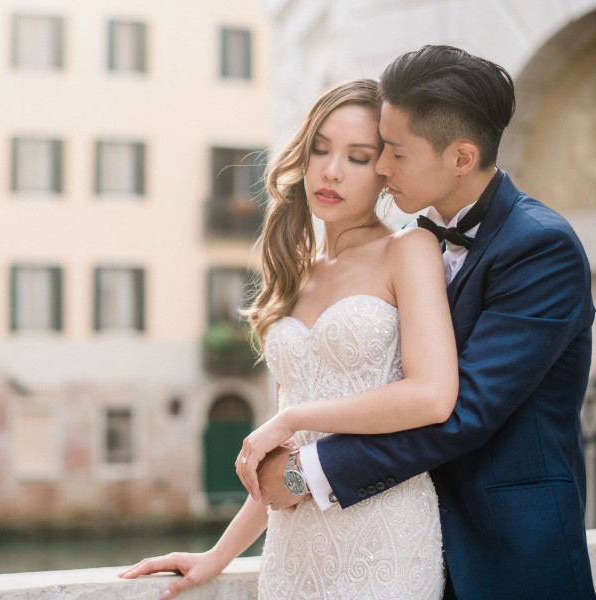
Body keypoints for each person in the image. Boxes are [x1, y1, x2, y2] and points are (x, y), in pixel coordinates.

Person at [241, 45, 596, 599]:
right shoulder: (416, 242)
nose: (382, 169)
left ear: (460, 157)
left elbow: (462, 412)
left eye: (395, 154)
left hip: (504, 551)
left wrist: (303, 473)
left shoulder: (540, 248)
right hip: (395, 533)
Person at [120, 77, 458, 599]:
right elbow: (283, 463)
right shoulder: (294, 273)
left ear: (385, 171)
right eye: (320, 149)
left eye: (358, 156)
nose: (331, 169)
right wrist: (217, 555)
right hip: (293, 552)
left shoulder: (409, 250)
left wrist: (293, 416)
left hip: (386, 540)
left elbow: (432, 395)